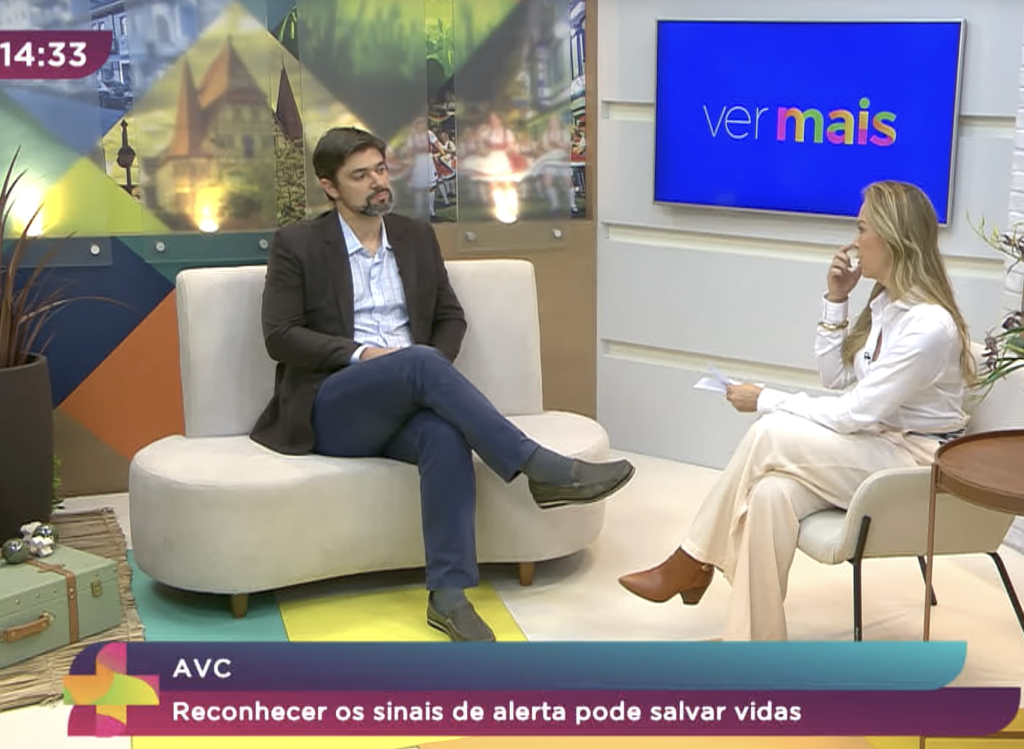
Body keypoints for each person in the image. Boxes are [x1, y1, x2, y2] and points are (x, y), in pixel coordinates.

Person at [251, 126, 635, 642]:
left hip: (408, 396)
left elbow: (450, 317)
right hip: (333, 403)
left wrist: (427, 374)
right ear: (329, 186)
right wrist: (369, 355)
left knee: (444, 435)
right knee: (419, 362)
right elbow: (279, 336)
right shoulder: (298, 244)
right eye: (360, 176)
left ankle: (449, 596)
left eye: (381, 169)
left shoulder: (413, 236)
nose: (377, 182)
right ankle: (540, 469)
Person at [617, 181, 974, 640]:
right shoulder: (887, 305)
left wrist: (764, 398)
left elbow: (852, 413)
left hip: (917, 466)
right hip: (877, 447)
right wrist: (837, 300)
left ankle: (691, 560)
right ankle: (755, 650)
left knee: (770, 431)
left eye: (862, 228)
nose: (853, 241)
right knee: (770, 495)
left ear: (892, 237)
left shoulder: (929, 327)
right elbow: (835, 376)